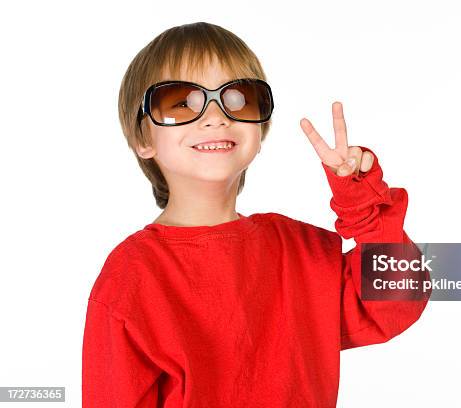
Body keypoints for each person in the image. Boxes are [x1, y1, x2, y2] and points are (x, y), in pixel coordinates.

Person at [82, 21, 430, 407]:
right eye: (180, 103)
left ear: (260, 127)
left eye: (236, 98)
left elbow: (397, 301)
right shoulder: (131, 276)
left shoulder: (300, 251)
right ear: (143, 138)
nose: (215, 116)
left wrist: (363, 205)